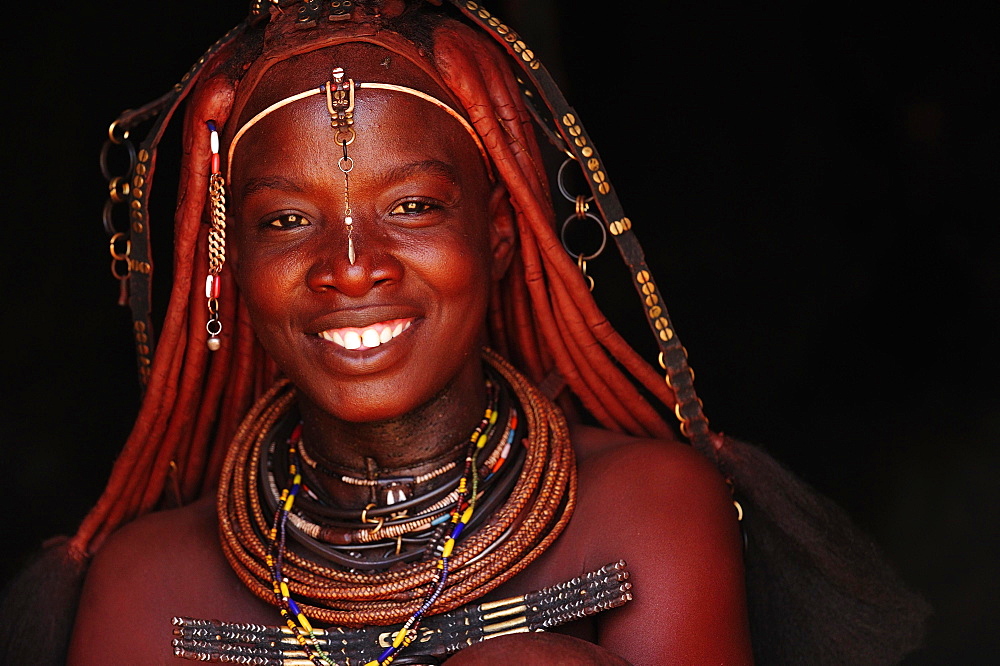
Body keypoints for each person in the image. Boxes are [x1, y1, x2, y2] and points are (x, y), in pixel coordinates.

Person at [1, 2, 928, 665]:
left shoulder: (647, 513)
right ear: (228, 266)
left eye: (411, 206)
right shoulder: (144, 591)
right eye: (287, 221)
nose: (352, 265)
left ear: (496, 235)